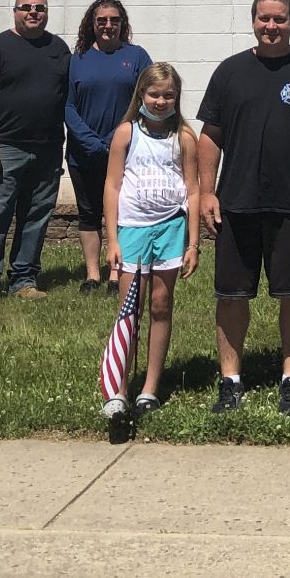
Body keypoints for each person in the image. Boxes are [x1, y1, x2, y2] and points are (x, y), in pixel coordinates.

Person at [196, 0, 290, 416]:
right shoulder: (229, 72)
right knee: (230, 295)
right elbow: (211, 137)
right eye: (264, 18)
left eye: (279, 19)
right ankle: (230, 381)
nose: (271, 26)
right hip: (236, 202)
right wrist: (207, 192)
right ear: (253, 21)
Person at [100, 61, 200, 419]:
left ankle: (150, 388)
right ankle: (119, 389)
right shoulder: (127, 132)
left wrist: (193, 244)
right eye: (154, 94)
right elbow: (112, 186)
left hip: (170, 229)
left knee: (160, 304)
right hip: (132, 229)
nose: (160, 101)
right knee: (130, 307)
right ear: (141, 94)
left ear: (177, 98)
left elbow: (192, 190)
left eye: (168, 95)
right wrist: (111, 239)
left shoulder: (184, 137)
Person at [0, 0, 72, 308]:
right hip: (6, 147)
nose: (33, 12)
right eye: (26, 7)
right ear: (15, 11)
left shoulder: (58, 48)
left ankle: (24, 280)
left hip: (49, 148)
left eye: (39, 7)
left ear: (47, 12)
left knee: (36, 217)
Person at [66, 0, 150, 294]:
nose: (108, 25)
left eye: (114, 20)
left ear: (122, 24)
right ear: (92, 23)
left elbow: (145, 99)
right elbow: (67, 106)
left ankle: (117, 273)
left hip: (125, 151)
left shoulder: (137, 57)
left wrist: (116, 139)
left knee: (121, 212)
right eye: (102, 20)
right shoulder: (77, 60)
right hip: (83, 152)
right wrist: (89, 140)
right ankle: (92, 275)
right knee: (88, 213)